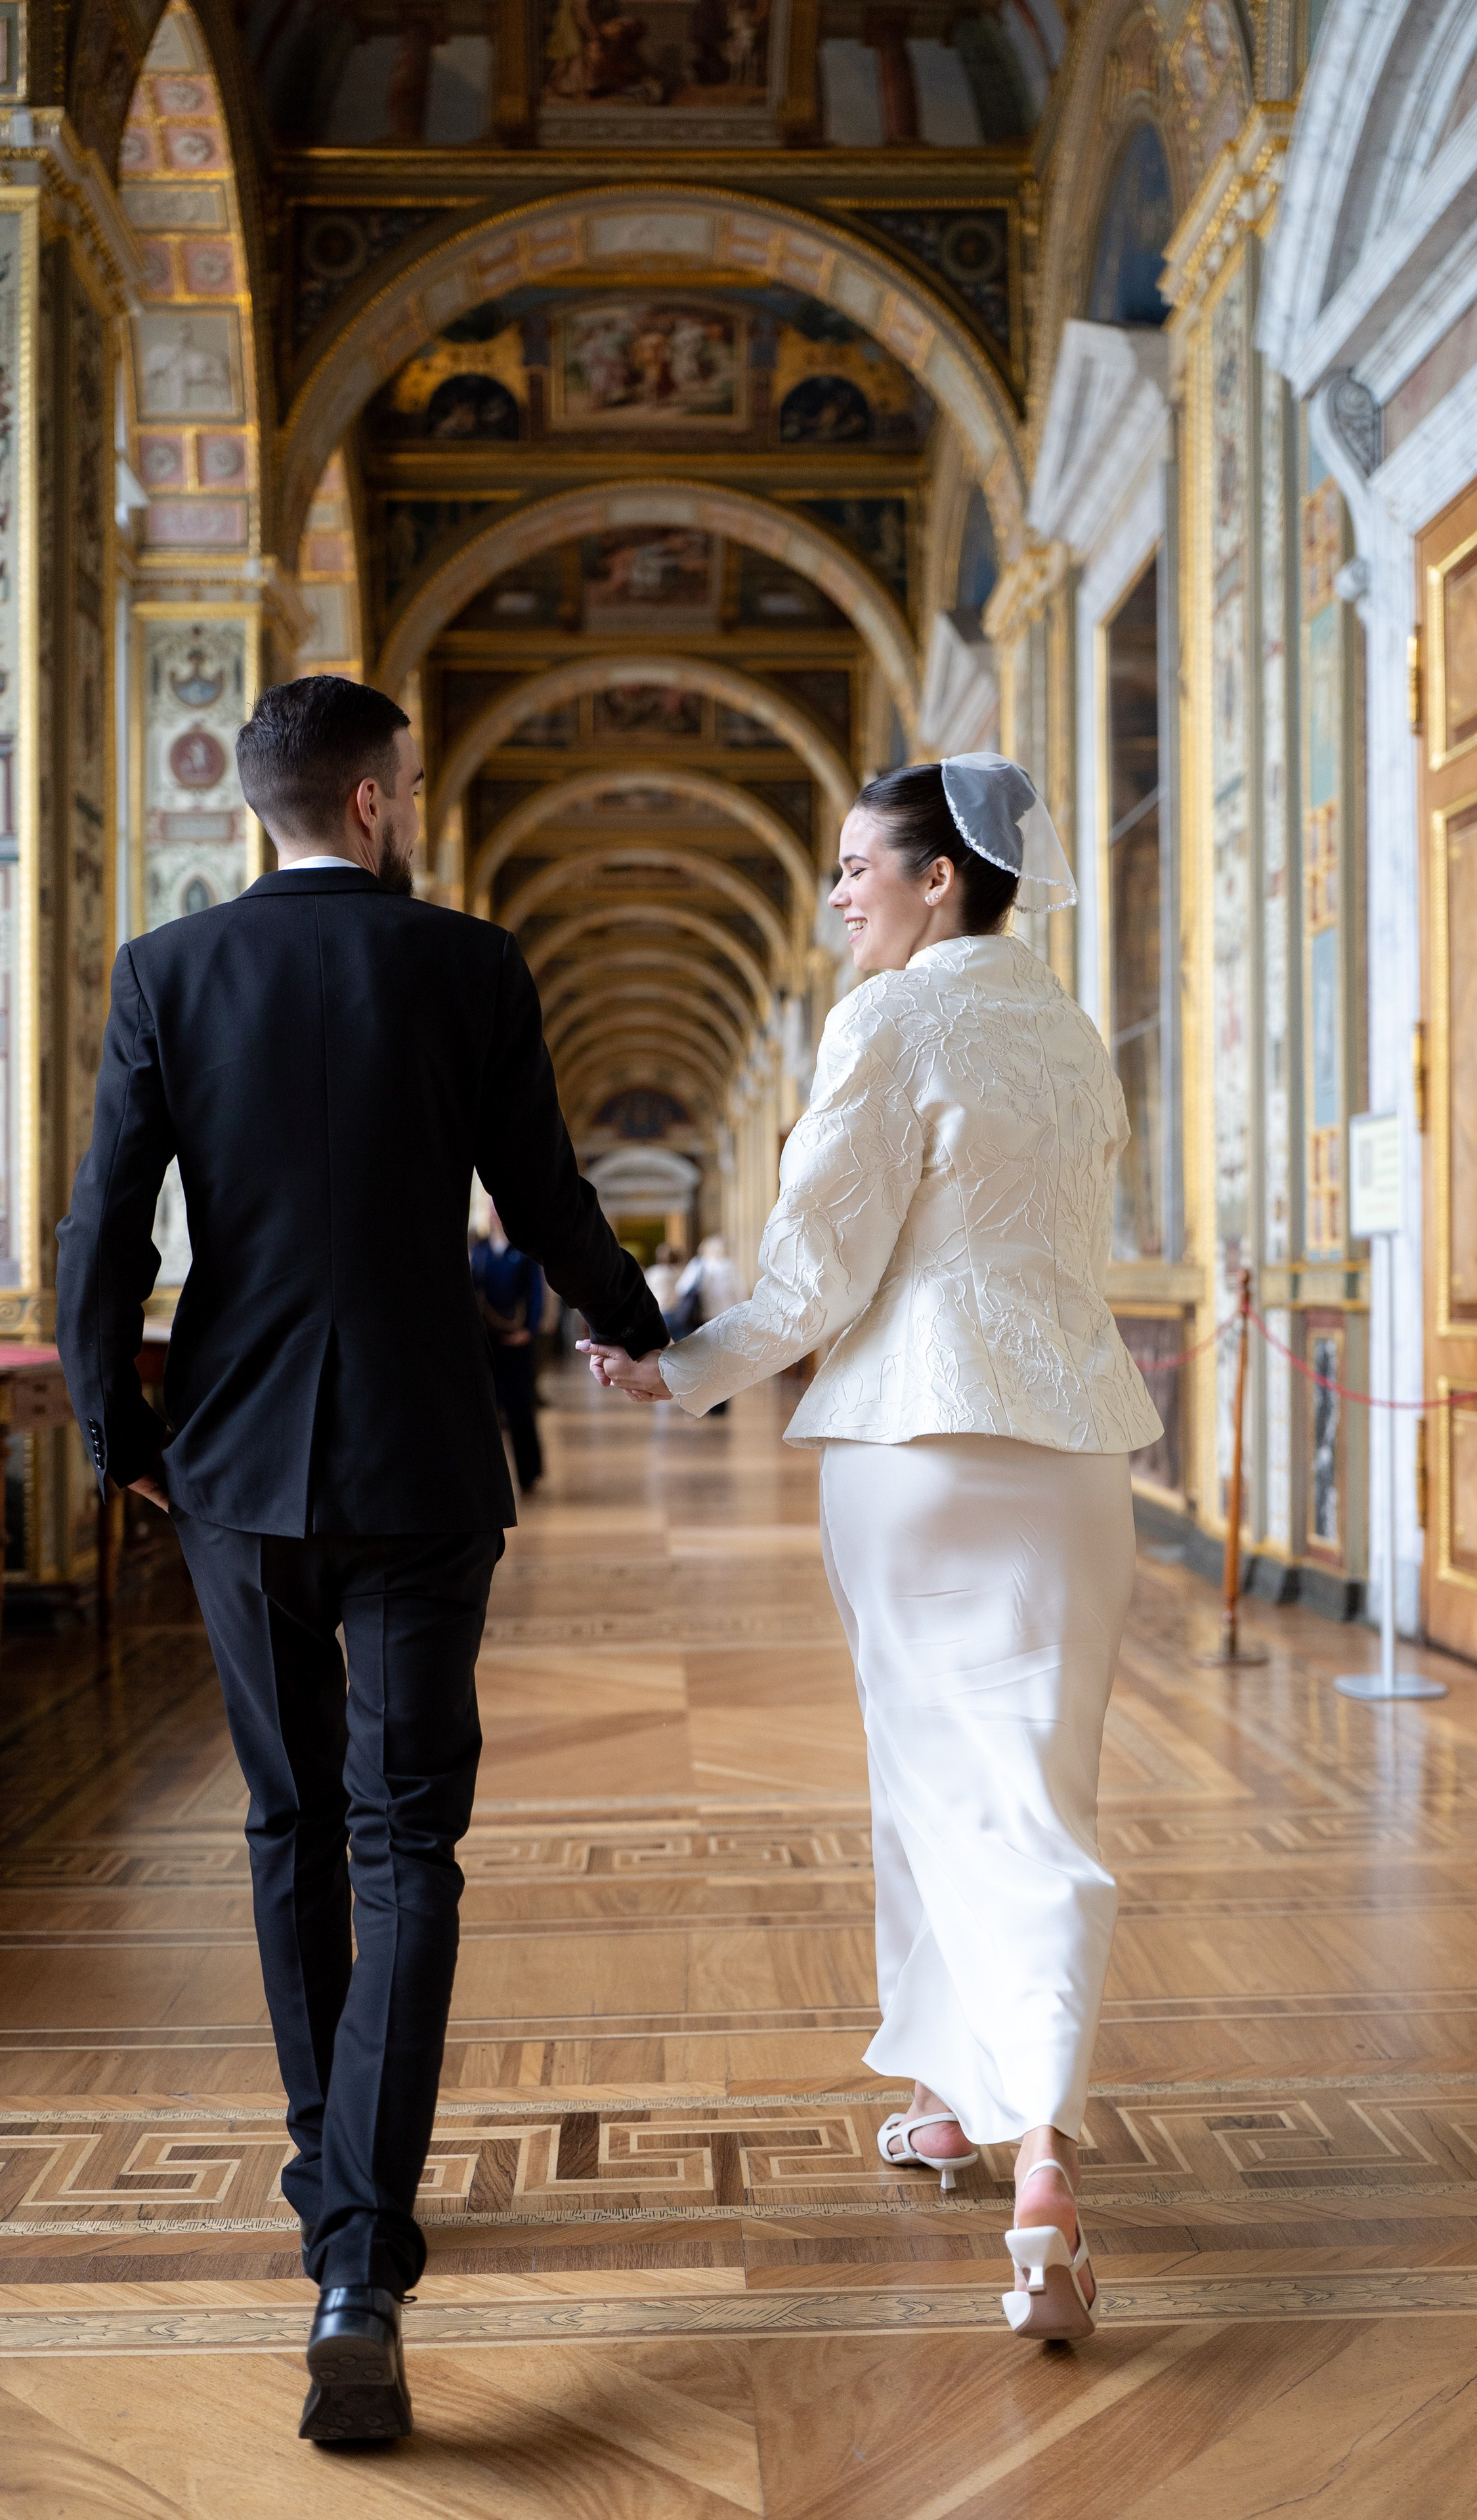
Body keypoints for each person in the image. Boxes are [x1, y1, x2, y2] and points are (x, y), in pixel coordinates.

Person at [54, 675, 667, 2443]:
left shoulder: (171, 972)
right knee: (412, 1841)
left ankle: (337, 2192)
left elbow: (107, 1227)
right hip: (417, 1462)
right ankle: (360, 2256)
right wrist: (654, 1345)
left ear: (263, 807)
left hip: (236, 1471)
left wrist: (121, 1444)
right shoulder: (468, 966)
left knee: (288, 1821)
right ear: (381, 803)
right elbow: (547, 1200)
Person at [581, 754, 1161, 2343]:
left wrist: (679, 1366)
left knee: (921, 1774)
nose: (840, 893)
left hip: (912, 1443)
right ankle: (1005, 2127)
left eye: (858, 868)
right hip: (1071, 1445)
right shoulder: (1066, 1033)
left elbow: (820, 1265)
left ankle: (983, 2114)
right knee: (1037, 1786)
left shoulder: (889, 1016)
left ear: (940, 880)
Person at [471, 1207, 546, 1494]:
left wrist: (529, 1329)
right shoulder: (479, 1252)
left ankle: (529, 1472)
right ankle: (486, 1480)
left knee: (520, 1407)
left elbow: (535, 1293)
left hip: (517, 1341)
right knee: (486, 1412)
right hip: (486, 1342)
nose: (495, 1217)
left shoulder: (523, 1252)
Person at [673, 1232, 744, 1413]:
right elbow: (740, 1296)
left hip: (702, 1321)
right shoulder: (730, 1267)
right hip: (728, 1321)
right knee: (724, 1364)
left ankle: (703, 1402)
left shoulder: (699, 1265)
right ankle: (721, 1404)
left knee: (703, 1363)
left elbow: (681, 1288)